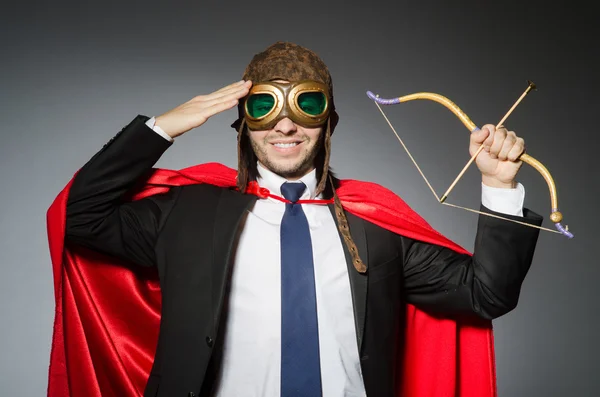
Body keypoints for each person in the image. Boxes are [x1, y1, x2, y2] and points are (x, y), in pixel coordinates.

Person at [49, 41, 542, 397]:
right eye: (264, 106)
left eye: (306, 104)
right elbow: (80, 218)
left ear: (328, 121)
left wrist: (498, 186)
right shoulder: (187, 213)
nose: (285, 123)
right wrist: (161, 128)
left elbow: (486, 295)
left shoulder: (372, 225)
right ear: (243, 122)